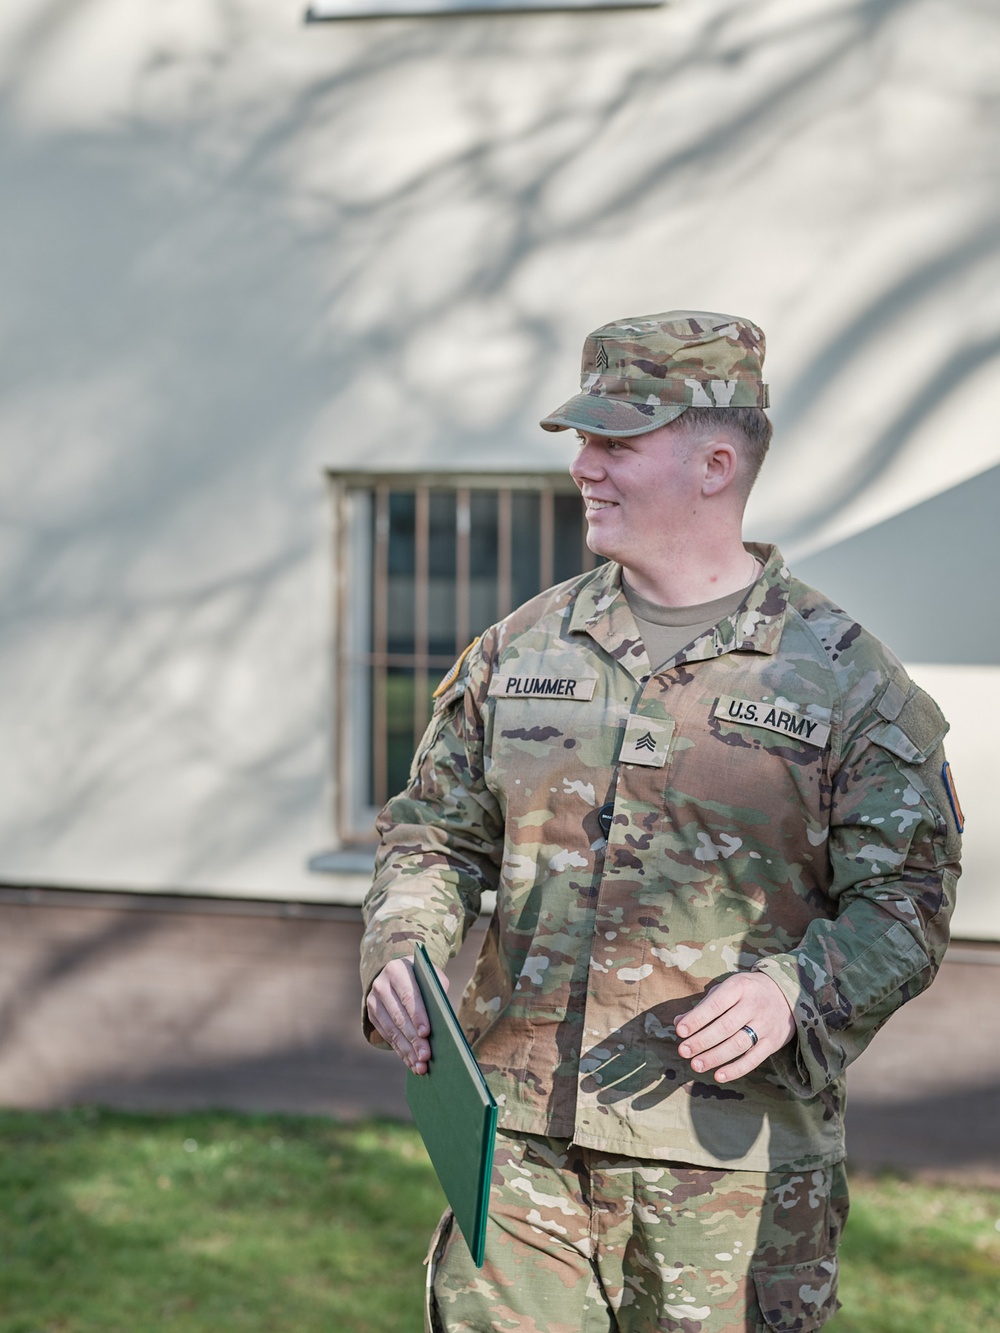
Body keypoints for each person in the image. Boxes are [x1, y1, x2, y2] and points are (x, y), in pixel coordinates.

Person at [360, 310, 962, 1332]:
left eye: (613, 443)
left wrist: (792, 990)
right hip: (519, 1156)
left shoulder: (844, 680)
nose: (583, 468)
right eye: (581, 443)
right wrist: (402, 942)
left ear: (714, 462)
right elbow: (435, 833)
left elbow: (902, 906)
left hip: (726, 1169)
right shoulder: (521, 648)